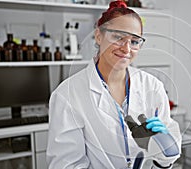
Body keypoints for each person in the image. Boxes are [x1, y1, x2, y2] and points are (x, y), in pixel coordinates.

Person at [46, 1, 182, 168]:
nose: (126, 48)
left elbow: (163, 158)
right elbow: (66, 165)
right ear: (98, 36)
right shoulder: (67, 95)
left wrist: (164, 151)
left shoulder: (153, 86)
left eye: (134, 41)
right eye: (118, 37)